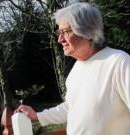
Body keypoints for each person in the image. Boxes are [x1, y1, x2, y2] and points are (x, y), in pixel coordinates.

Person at [14, 2, 130, 135]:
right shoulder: (78, 67)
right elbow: (71, 107)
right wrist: (38, 116)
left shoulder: (118, 62)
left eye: (65, 32)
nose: (59, 39)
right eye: (59, 32)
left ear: (88, 32)